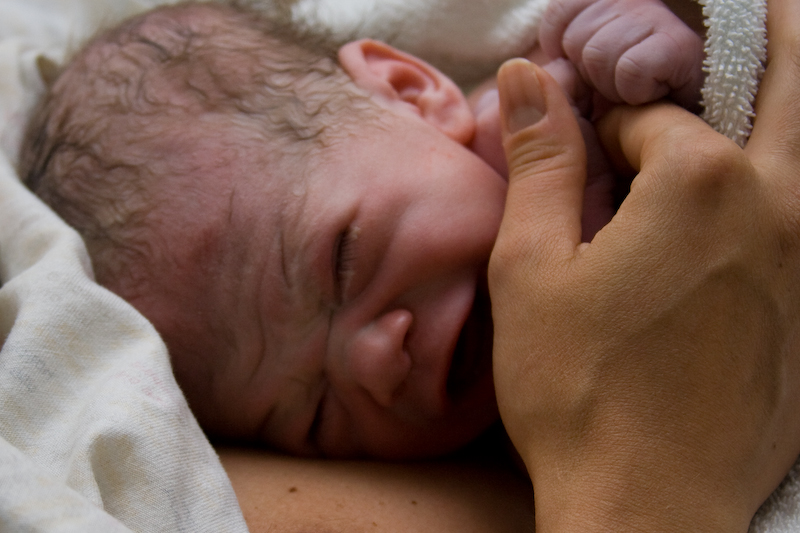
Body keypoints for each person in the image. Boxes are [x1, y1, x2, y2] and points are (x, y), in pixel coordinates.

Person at [17, 0, 707, 460]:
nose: (376, 364)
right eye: (315, 415)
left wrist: (665, 48)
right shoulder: (488, 464)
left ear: (410, 93)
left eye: (343, 260)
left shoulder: (546, 107)